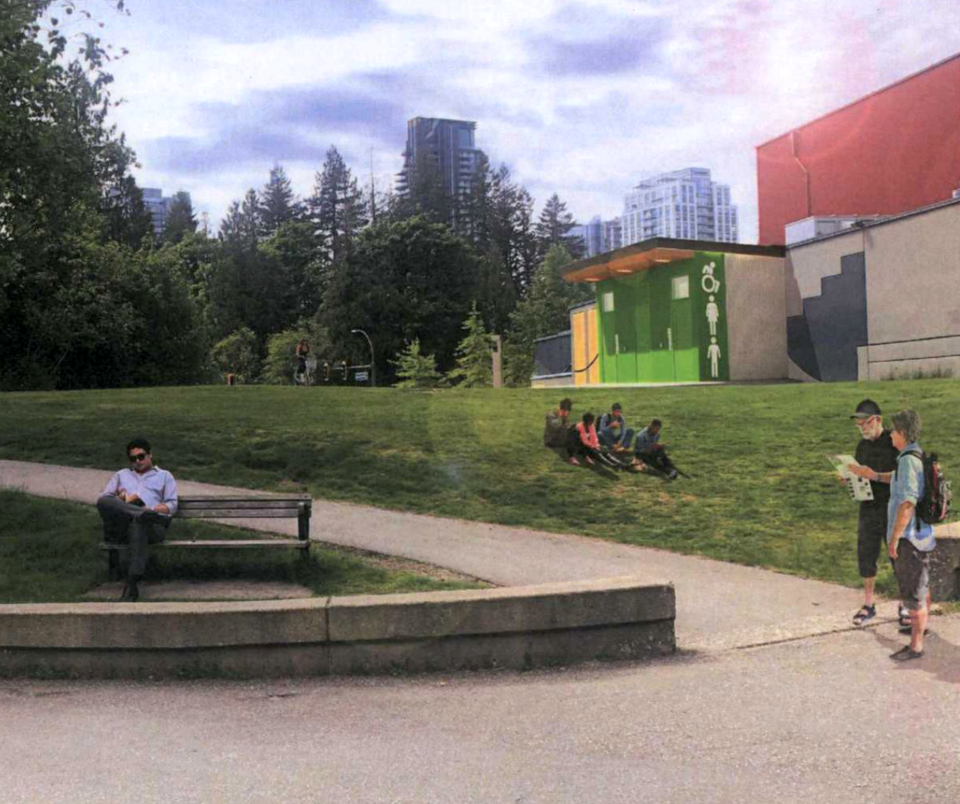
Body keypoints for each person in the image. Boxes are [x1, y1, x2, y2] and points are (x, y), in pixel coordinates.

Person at [96, 438, 178, 602]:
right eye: (133, 459)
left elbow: (172, 505)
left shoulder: (164, 476)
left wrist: (152, 509)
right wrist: (123, 498)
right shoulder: (121, 475)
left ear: (150, 455)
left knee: (139, 524)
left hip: (153, 525)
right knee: (103, 501)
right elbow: (106, 499)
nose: (138, 461)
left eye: (141, 456)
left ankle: (131, 583)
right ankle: (139, 513)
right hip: (122, 525)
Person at [844, 400, 901, 627]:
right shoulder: (862, 446)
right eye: (858, 425)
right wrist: (849, 477)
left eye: (864, 423)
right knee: (866, 554)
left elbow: (903, 475)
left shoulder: (894, 442)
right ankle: (869, 604)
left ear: (877, 420)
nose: (862, 428)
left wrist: (875, 475)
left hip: (891, 506)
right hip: (868, 506)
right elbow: (860, 474)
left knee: (898, 555)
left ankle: (905, 603)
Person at [885, 410, 935, 661]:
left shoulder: (907, 461)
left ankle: (916, 645)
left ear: (902, 434)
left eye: (893, 430)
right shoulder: (916, 454)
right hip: (922, 534)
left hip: (909, 538)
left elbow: (907, 503)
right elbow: (898, 483)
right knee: (921, 584)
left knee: (913, 592)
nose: (890, 434)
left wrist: (894, 539)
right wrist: (869, 474)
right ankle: (921, 629)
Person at [544, 398, 582, 466]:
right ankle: (571, 458)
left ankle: (581, 452)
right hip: (551, 440)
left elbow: (565, 427)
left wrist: (571, 427)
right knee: (570, 436)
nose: (567, 412)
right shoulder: (550, 416)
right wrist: (562, 417)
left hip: (560, 437)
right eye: (565, 410)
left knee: (576, 431)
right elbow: (554, 427)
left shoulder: (564, 417)